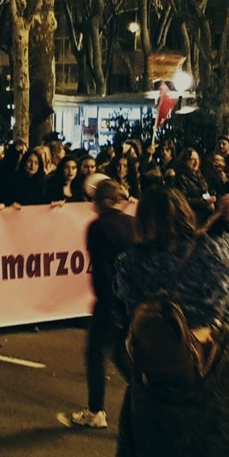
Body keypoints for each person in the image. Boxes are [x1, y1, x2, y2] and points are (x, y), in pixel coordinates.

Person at [110, 187, 229, 457]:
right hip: (218, 376)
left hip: (156, 381)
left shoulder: (129, 264)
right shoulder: (215, 252)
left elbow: (124, 304)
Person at [62, 180, 135, 429]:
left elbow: (103, 271)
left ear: (103, 202)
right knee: (120, 353)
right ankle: (150, 395)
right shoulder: (131, 224)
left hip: (110, 302)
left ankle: (96, 410)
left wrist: (109, 305)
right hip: (131, 300)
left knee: (96, 353)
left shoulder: (98, 228)